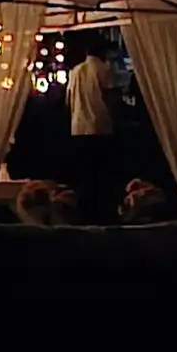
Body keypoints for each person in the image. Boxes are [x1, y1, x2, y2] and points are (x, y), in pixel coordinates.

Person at [66, 34, 117, 223]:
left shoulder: (75, 71)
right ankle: (101, 214)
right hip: (100, 127)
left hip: (78, 128)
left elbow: (68, 101)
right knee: (101, 176)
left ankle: (83, 214)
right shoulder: (104, 70)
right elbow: (112, 100)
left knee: (84, 174)